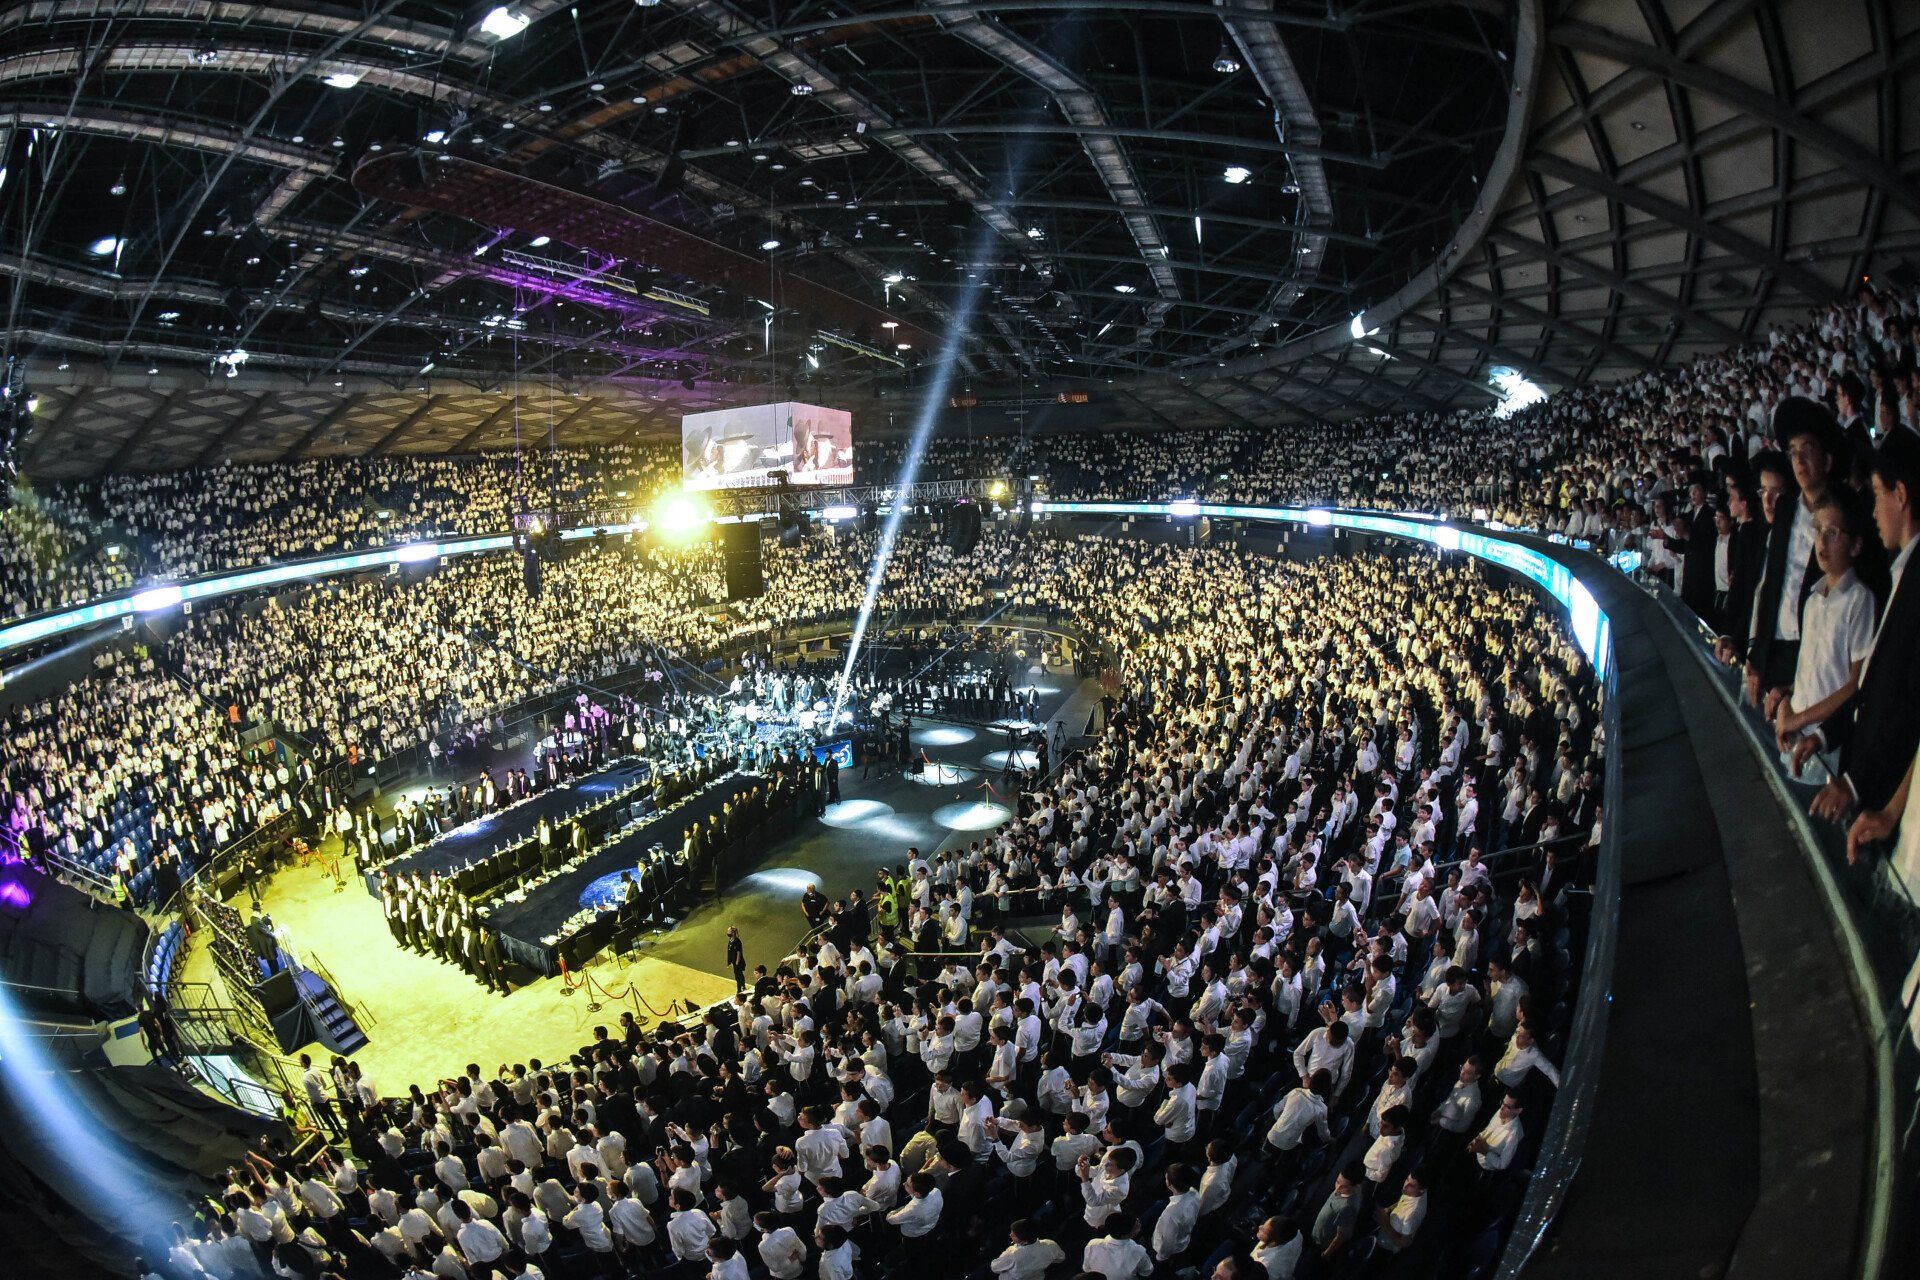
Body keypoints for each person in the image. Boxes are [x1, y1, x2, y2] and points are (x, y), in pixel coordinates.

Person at [727, 925, 747, 992]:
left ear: (733, 933)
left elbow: (739, 952)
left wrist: (737, 962)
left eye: (729, 931)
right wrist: (729, 962)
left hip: (738, 962)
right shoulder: (731, 940)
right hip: (734, 962)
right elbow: (729, 952)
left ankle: (742, 988)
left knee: (739, 975)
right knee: (737, 975)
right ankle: (740, 988)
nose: (727, 932)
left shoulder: (737, 941)